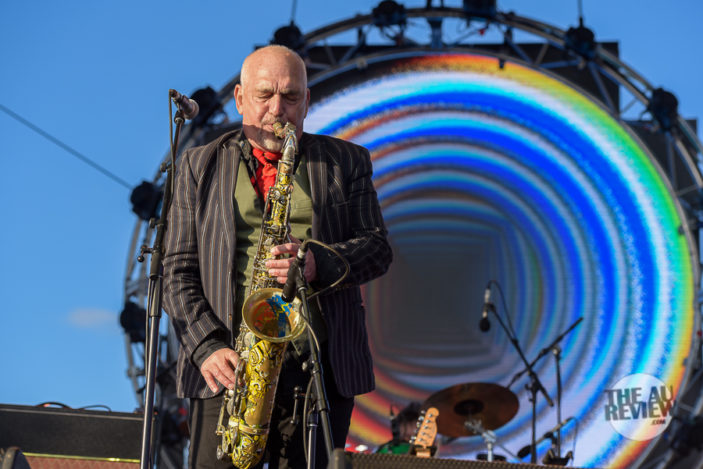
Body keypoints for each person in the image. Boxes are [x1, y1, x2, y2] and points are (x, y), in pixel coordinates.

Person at [162, 44, 393, 469]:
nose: (277, 109)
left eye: (290, 97)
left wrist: (317, 262)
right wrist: (207, 346)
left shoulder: (347, 161)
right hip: (227, 371)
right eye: (264, 95)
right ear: (239, 98)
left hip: (318, 371)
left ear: (306, 101)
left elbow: (377, 249)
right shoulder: (197, 166)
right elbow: (175, 271)